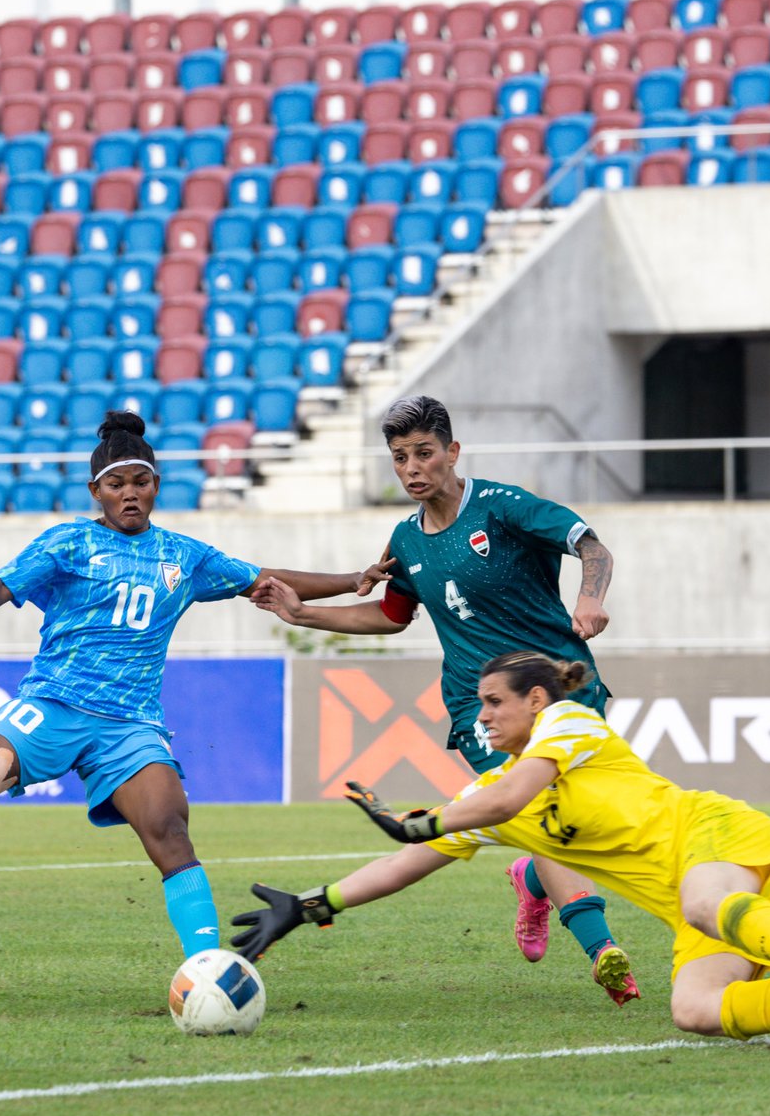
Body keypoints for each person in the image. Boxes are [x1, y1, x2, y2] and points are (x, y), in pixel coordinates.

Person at [0, 411, 392, 960]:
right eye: (116, 484)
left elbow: (263, 580)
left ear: (156, 485)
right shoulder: (67, 543)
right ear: (97, 491)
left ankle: (207, 967)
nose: (129, 494)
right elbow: (5, 582)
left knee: (169, 827)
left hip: (130, 724)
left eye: (140, 482)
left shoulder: (186, 557)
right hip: (53, 703)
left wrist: (352, 580)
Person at [230, 651, 770, 1046]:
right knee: (696, 1010)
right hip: (691, 898)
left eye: (495, 702)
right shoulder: (487, 792)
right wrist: (310, 904)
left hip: (717, 831)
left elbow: (503, 800)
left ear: (537, 700)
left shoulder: (569, 722)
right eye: (480, 705)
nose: (482, 716)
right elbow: (404, 865)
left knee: (705, 903)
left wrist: (420, 821)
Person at [251, 394, 637, 1005]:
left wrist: (590, 597)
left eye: (424, 453)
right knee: (535, 806)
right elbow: (390, 615)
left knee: (583, 818)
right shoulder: (405, 539)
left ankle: (532, 877)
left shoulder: (504, 507)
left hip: (562, 687)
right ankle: (603, 949)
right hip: (478, 703)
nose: (412, 468)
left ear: (452, 453)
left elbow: (593, 546)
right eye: (400, 457)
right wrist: (305, 616)